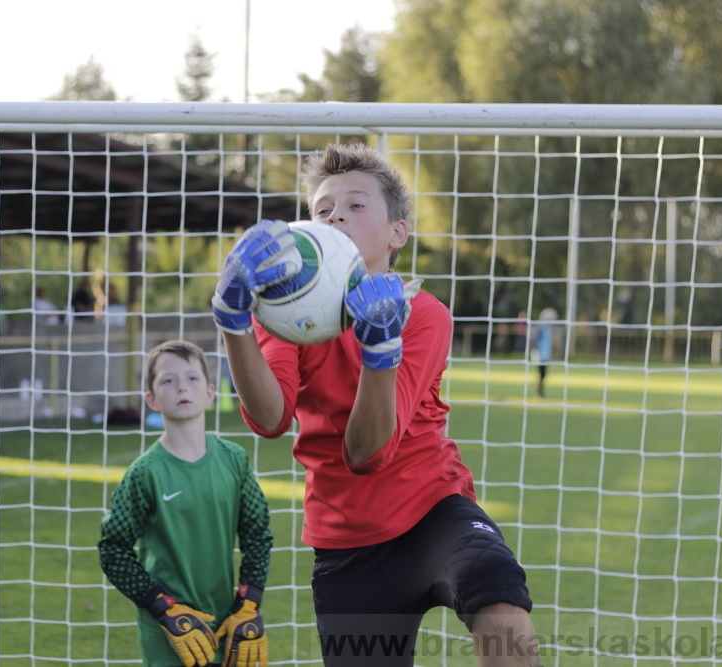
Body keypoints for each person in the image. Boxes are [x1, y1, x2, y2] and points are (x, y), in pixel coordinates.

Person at [212, 143, 539, 667]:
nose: (335, 213)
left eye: (356, 204)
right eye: (322, 209)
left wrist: (381, 346)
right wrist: (233, 322)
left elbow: (372, 451)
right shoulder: (283, 317)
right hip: (346, 537)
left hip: (434, 509)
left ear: (397, 234)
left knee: (499, 600)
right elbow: (270, 419)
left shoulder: (423, 314)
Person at [98, 340, 273, 667]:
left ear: (210, 392)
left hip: (226, 625)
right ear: (151, 399)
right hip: (169, 632)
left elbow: (257, 535)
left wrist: (249, 603)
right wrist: (161, 606)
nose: (181, 386)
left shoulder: (234, 460)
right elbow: (112, 549)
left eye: (192, 378)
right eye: (168, 380)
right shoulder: (144, 473)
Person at [532, 308, 556, 399]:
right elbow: (535, 339)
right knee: (539, 374)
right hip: (540, 355)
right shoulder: (540, 327)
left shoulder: (548, 329)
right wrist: (536, 351)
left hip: (546, 355)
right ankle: (538, 394)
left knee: (544, 375)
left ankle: (541, 393)